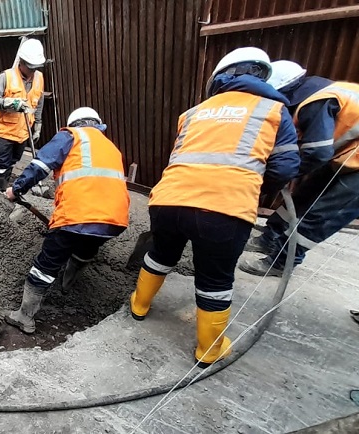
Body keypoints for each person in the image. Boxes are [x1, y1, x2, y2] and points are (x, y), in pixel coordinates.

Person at [129, 47, 300, 367]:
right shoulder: (274, 110)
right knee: (215, 278)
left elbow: (181, 158)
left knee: (161, 254)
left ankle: (139, 305)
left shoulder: (192, 113)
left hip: (168, 201)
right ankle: (208, 350)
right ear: (261, 76)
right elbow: (286, 167)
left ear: (219, 79)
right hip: (225, 209)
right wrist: (256, 190)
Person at [3, 107, 130, 333]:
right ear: (97, 123)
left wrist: (17, 189)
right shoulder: (111, 147)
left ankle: (24, 317)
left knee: (46, 265)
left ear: (75, 123)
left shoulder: (71, 135)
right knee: (88, 244)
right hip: (115, 219)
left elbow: (41, 165)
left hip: (75, 215)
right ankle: (69, 281)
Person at [239, 60, 359, 276]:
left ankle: (280, 264)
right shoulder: (318, 94)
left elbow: (317, 152)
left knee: (318, 217)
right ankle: (268, 239)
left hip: (354, 169)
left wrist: (286, 171)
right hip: (344, 159)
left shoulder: (319, 102)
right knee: (300, 198)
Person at [0, 38, 46, 191]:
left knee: (14, 160)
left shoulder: (39, 77)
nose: (33, 71)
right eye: (30, 67)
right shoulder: (6, 76)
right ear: (22, 62)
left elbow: (39, 101)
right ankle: (0, 192)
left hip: (24, 131)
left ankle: (7, 185)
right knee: (2, 164)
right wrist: (11, 104)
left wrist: (38, 126)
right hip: (5, 132)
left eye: (35, 67)